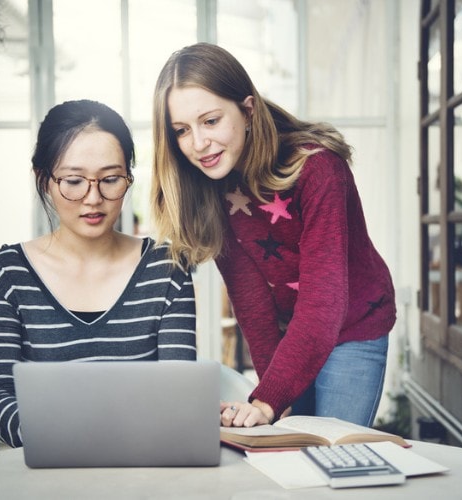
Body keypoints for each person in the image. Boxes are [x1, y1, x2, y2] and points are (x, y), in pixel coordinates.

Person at [151, 43, 396, 429]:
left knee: (330, 448)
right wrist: (275, 400)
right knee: (289, 441)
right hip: (290, 333)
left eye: (211, 121)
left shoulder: (319, 169)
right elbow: (252, 304)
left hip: (352, 326)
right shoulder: (209, 186)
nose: (198, 144)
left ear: (247, 111)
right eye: (182, 131)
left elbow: (323, 302)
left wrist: (266, 400)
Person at [0, 100, 197, 448]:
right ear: (44, 180)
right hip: (47, 468)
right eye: (74, 181)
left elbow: (179, 391)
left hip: (144, 468)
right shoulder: (8, 273)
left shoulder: (166, 269)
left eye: (110, 179)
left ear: (128, 179)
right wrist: (51, 434)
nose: (93, 198)